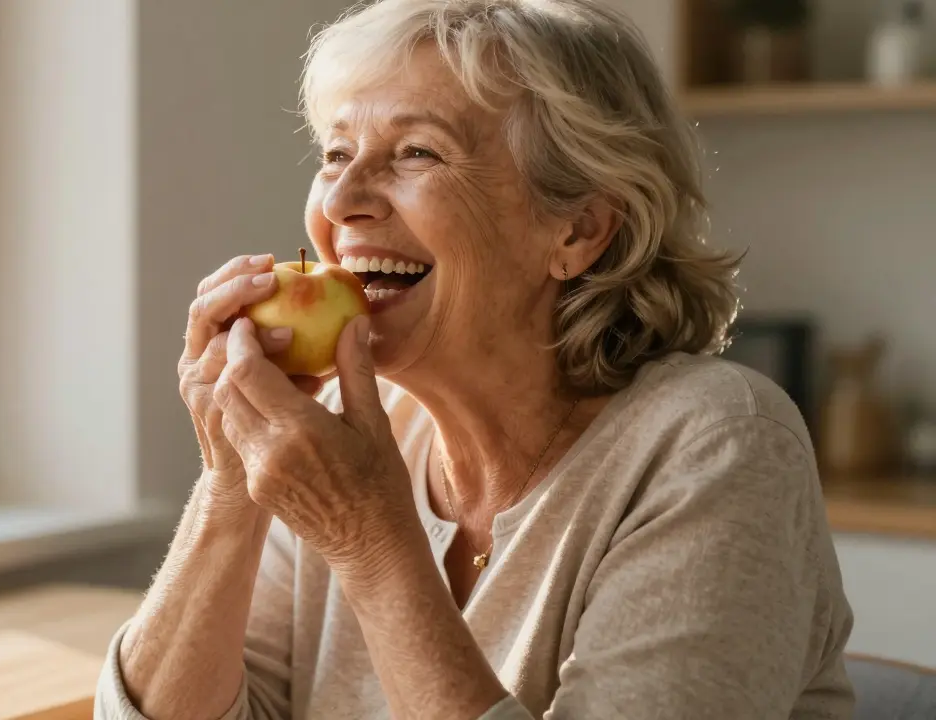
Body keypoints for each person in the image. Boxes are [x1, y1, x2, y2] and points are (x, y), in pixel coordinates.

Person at [95, 0, 854, 718]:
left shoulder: (719, 446)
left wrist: (370, 539)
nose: (341, 201)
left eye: (416, 152)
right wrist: (230, 484)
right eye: (336, 154)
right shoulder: (333, 440)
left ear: (577, 230)